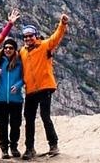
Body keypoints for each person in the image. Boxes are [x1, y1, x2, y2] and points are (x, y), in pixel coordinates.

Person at [15, 10, 69, 155]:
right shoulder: (22, 52)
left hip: (45, 87)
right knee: (29, 118)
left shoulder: (45, 45)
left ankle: (53, 145)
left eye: (30, 36)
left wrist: (62, 24)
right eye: (25, 37)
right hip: (31, 89)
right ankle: (29, 148)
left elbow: (56, 37)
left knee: (45, 116)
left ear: (36, 36)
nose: (27, 39)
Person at [0, 30, 27, 158]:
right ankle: (4, 149)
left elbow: (24, 78)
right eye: (6, 47)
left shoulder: (19, 63)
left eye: (10, 48)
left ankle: (14, 146)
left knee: (15, 124)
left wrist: (18, 85)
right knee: (2, 125)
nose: (8, 50)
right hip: (1, 98)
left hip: (15, 99)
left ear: (14, 50)